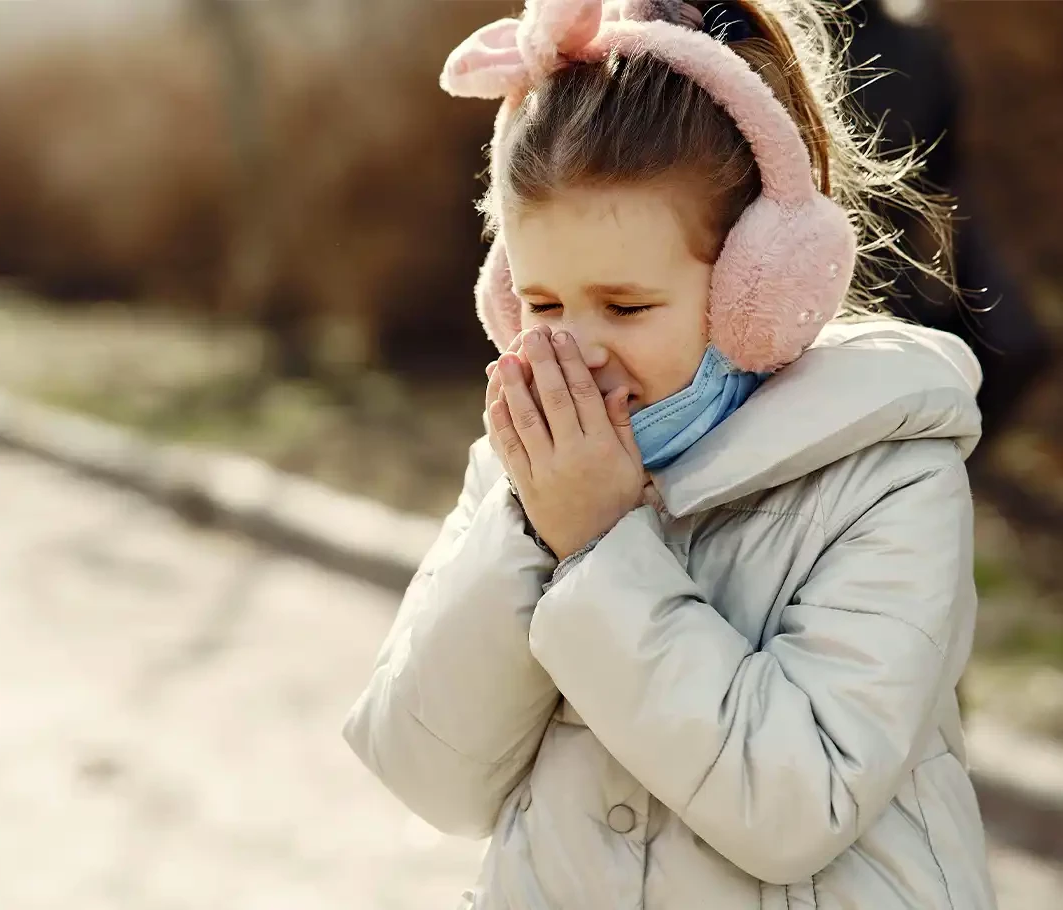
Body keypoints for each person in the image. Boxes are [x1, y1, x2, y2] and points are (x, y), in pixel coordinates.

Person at [343, 1, 995, 908]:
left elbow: (797, 804)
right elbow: (428, 775)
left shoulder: (888, 472)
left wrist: (603, 545)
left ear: (755, 288)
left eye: (625, 306)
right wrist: (532, 531)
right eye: (542, 304)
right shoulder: (516, 475)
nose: (578, 349)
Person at [845, 0, 1052, 456]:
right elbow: (944, 179)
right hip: (884, 289)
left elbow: (944, 181)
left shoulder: (755, 31)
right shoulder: (921, 44)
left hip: (850, 287)